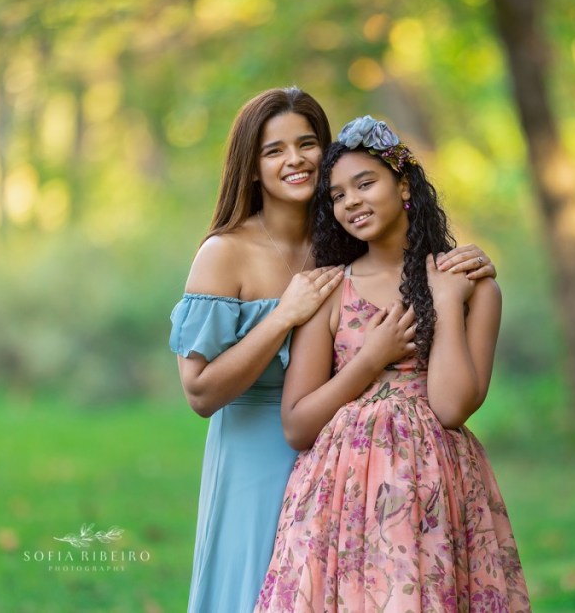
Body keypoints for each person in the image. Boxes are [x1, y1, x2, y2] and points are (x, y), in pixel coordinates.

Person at [168, 89, 498, 613]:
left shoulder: (342, 246)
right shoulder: (224, 252)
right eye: (273, 150)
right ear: (250, 168)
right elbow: (200, 392)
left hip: (356, 465)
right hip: (258, 450)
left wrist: (465, 264)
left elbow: (400, 259)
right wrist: (283, 315)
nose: (294, 159)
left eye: (306, 144)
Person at [254, 115, 530, 613]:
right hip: (339, 495)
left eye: (365, 183)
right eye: (337, 195)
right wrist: (369, 360)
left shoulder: (472, 285)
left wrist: (445, 302)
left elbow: (451, 408)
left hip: (432, 490)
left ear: (403, 185)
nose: (352, 201)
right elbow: (297, 426)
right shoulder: (329, 289)